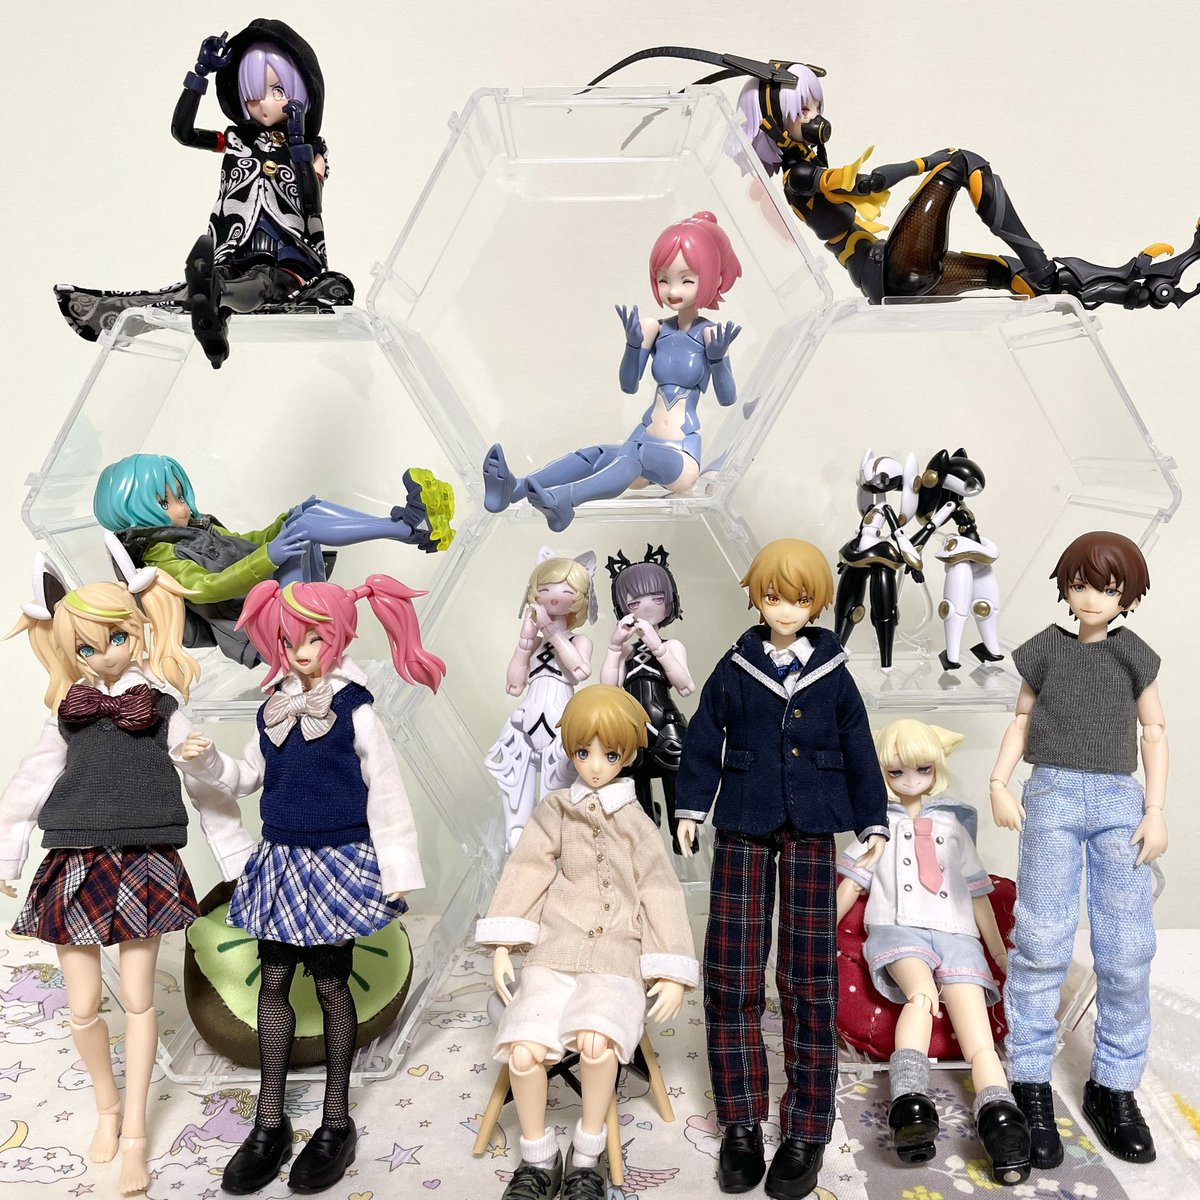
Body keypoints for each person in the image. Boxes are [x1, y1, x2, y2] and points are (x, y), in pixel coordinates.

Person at [175, 574, 444, 1194]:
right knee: (273, 980)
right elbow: (245, 778)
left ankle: (334, 1120)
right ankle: (269, 1121)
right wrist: (206, 761)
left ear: (341, 637)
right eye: (290, 640)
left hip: (338, 860)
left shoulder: (355, 708)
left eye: (315, 639)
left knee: (329, 980)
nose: (301, 652)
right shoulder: (271, 707)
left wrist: (398, 870)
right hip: (282, 860)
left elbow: (387, 791)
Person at [0, 539, 253, 1195]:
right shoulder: (67, 714)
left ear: (137, 630)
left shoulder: (163, 709)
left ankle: (135, 1133)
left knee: (139, 1001)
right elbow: (27, 787)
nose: (104, 654)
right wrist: (8, 854)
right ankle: (106, 1107)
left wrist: (236, 855)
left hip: (144, 859)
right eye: (87, 647)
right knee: (83, 1007)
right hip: (74, 860)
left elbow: (210, 791)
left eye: (115, 638)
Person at [676, 538, 888, 1199]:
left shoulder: (833, 672)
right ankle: (740, 1120)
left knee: (809, 977)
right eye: (773, 596)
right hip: (744, 817)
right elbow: (704, 736)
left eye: (799, 599)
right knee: (732, 970)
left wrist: (873, 820)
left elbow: (859, 746)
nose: (786, 609)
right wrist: (691, 807)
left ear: (818, 603)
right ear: (756, 597)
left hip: (814, 825)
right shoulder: (736, 666)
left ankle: (807, 1126)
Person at [476, 685, 699, 1200]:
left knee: (597, 1044)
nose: (595, 766)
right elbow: (529, 866)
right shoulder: (557, 809)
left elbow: (659, 888)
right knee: (524, 1052)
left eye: (610, 754)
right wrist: (505, 941)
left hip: (617, 952)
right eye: (583, 752)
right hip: (555, 948)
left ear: (629, 755)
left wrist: (671, 970)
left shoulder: (636, 821)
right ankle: (538, 1158)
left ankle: (586, 1155)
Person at [989, 531, 1166, 1168]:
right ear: (1066, 587)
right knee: (1042, 939)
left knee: (1128, 947)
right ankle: (1030, 1079)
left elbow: (1154, 730)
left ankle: (1113, 1084)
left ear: (1128, 597)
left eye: (1109, 589)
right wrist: (999, 782)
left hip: (1120, 800)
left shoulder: (1132, 654)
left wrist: (1155, 810)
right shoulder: (1045, 649)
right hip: (1053, 795)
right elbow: (1020, 721)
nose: (1092, 598)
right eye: (1081, 584)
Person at [55, 20, 354, 367]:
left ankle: (216, 297)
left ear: (305, 88)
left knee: (264, 282)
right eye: (252, 95)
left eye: (277, 91)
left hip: (290, 253)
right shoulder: (236, 140)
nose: (263, 105)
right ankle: (214, 322)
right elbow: (183, 133)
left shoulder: (313, 151)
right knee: (223, 276)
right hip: (238, 246)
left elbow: (311, 203)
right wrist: (199, 77)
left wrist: (299, 142)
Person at [836, 719, 1029, 1184]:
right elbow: (851, 884)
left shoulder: (952, 827)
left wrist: (998, 951)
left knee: (977, 1032)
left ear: (936, 768)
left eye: (922, 769)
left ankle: (1000, 1116)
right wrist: (817, 931)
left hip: (957, 932)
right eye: (895, 772)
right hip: (899, 929)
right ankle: (910, 1102)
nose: (910, 780)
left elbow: (978, 894)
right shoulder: (875, 828)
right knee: (920, 995)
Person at [483, 213, 741, 531]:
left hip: (680, 455)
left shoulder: (710, 336)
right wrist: (633, 345)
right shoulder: (655, 329)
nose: (673, 290)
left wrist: (718, 359)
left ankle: (566, 500)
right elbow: (629, 385)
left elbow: (727, 398)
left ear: (711, 278)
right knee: (593, 454)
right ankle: (515, 488)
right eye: (664, 279)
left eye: (686, 280)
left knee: (634, 456)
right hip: (642, 441)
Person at [94, 452, 453, 666]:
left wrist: (281, 524)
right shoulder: (162, 556)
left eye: (180, 496)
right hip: (265, 628)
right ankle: (410, 528)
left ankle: (412, 527)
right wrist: (270, 556)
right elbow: (206, 588)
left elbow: (243, 543)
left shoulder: (195, 529)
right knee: (307, 526)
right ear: (132, 513)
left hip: (276, 602)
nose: (181, 508)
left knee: (306, 513)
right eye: (164, 503)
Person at [486, 550, 596, 851]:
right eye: (545, 588)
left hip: (561, 719)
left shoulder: (579, 640)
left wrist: (551, 631)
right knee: (516, 771)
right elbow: (514, 685)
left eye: (565, 590)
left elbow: (579, 671)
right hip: (526, 716)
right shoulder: (534, 643)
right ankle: (517, 829)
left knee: (558, 776)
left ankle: (555, 833)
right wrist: (525, 642)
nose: (553, 595)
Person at [600, 545, 694, 851]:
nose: (648, 607)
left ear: (669, 601)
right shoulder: (625, 651)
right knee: (634, 787)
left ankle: (683, 839)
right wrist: (614, 647)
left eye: (657, 598)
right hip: (632, 729)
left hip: (666, 725)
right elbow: (608, 690)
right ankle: (644, 843)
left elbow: (685, 686)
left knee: (676, 784)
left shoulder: (672, 645)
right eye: (635, 602)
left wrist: (658, 647)